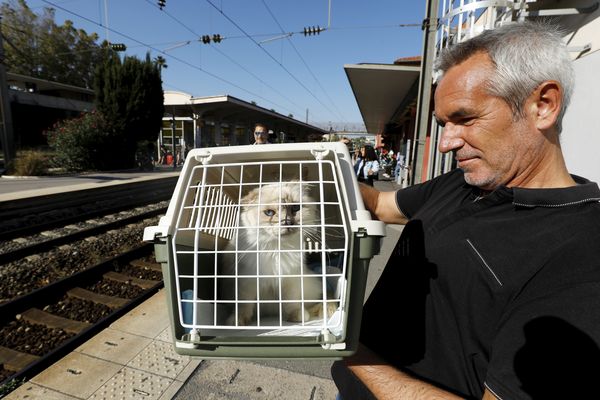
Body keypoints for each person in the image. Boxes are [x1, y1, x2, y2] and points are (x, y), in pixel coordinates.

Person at [332, 21, 600, 399]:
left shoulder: (582, 253)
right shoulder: (466, 180)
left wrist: (350, 352)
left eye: (465, 118)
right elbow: (379, 204)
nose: (446, 144)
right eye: (443, 124)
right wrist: (312, 178)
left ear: (543, 105)